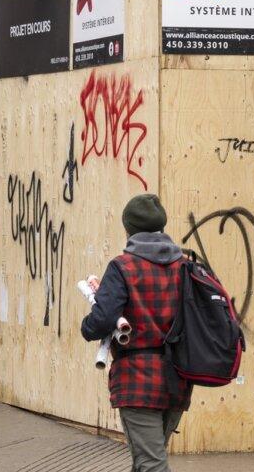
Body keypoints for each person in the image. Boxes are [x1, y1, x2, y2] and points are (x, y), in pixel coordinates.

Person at [80, 194, 191, 472]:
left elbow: (102, 320)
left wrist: (87, 326)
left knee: (150, 463)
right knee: (147, 459)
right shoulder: (186, 266)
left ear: (128, 229)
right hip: (178, 377)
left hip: (138, 381)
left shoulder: (123, 267)